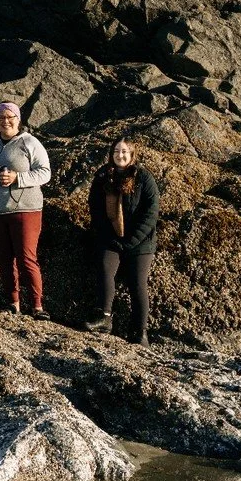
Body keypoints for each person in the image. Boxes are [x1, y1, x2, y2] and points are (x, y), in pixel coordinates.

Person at [0, 101, 51, 318]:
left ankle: (37, 306)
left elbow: (45, 173)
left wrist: (18, 178)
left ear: (18, 119)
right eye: (1, 118)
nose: (5, 121)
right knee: (5, 259)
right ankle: (13, 303)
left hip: (25, 210)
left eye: (10, 117)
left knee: (26, 258)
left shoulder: (29, 143)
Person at [85, 136, 161, 347]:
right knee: (105, 269)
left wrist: (131, 241)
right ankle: (105, 318)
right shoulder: (102, 176)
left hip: (141, 242)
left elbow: (151, 213)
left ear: (132, 155)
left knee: (137, 282)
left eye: (125, 152)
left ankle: (139, 332)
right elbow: (96, 210)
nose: (120, 155)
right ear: (111, 154)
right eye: (117, 151)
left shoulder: (144, 178)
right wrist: (109, 238)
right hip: (111, 239)